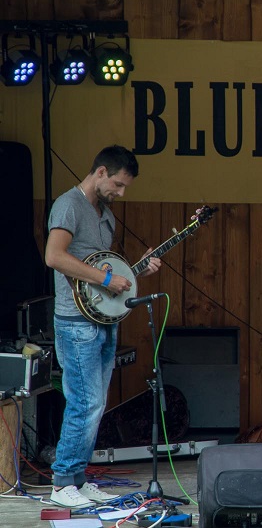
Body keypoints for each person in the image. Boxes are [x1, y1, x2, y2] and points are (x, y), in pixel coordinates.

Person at [44, 145, 161, 508]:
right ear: (100, 172)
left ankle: (77, 479)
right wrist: (105, 279)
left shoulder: (105, 215)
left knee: (96, 403)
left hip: (101, 318)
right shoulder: (69, 205)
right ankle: (62, 481)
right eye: (118, 184)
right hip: (76, 322)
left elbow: (105, 272)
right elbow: (54, 256)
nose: (121, 193)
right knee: (84, 401)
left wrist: (134, 270)